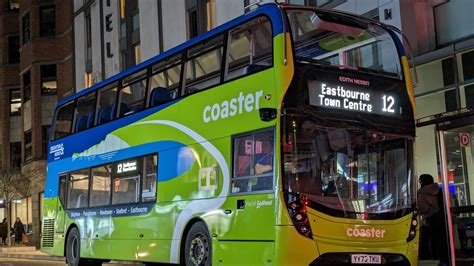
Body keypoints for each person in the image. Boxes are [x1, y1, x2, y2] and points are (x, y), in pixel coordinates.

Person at [417, 174, 449, 266]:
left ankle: (436, 258)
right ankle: (445, 260)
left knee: (434, 240)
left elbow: (422, 209)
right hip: (443, 218)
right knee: (444, 240)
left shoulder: (422, 194)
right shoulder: (439, 190)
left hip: (432, 219)